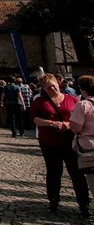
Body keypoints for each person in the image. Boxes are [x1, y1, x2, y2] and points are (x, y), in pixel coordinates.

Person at [30, 74, 90, 217]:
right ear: (44, 88)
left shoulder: (73, 100)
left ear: (58, 83)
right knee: (53, 172)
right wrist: (51, 123)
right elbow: (35, 119)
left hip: (71, 142)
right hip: (49, 142)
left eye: (53, 85)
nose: (52, 88)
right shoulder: (40, 102)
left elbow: (81, 120)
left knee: (77, 173)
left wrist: (68, 125)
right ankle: (53, 201)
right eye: (48, 87)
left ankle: (84, 204)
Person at [69, 75, 94, 202]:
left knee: (93, 182)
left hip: (89, 147)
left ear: (83, 89)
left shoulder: (83, 105)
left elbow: (76, 128)